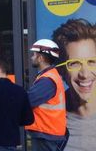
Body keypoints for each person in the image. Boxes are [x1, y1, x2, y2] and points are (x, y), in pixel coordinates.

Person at [52, 19, 96, 151]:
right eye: (74, 63)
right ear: (61, 70)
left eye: (92, 62)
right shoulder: (51, 118)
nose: (84, 74)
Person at [26, 39, 67, 151]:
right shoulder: (49, 76)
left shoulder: (47, 80)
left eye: (34, 54)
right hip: (47, 132)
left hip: (46, 132)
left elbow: (28, 100)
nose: (32, 57)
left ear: (41, 58)